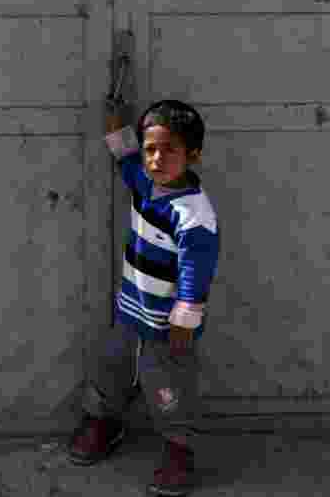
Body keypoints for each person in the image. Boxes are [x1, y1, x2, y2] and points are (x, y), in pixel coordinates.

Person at [69, 98, 219, 497]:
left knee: (169, 387)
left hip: (167, 328)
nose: (156, 158)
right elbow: (125, 159)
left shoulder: (193, 214)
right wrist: (116, 124)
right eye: (151, 148)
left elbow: (196, 270)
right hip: (130, 313)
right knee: (111, 368)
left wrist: (185, 319)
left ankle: (178, 450)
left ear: (194, 155)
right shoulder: (145, 183)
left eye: (169, 150)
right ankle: (104, 423)